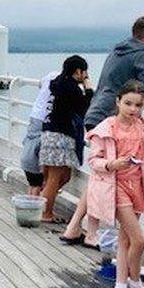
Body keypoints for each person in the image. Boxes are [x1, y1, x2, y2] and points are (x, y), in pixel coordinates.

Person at [61, 16, 144, 246]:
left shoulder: (119, 50)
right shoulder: (142, 53)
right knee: (103, 179)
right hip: (109, 119)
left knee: (101, 178)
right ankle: (84, 231)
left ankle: (81, 229)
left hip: (96, 113)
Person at [86, 80, 144, 288]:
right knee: (139, 240)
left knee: (125, 241)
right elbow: (93, 161)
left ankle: (127, 287)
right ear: (118, 102)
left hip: (138, 186)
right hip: (115, 186)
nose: (132, 109)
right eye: (128, 103)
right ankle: (125, 287)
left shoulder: (143, 129)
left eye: (138, 105)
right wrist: (112, 164)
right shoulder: (106, 128)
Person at [39, 56, 94, 223]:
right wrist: (89, 90)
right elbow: (83, 109)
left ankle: (40, 204)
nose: (85, 75)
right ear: (78, 71)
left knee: (59, 177)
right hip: (61, 136)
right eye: (84, 72)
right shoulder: (72, 88)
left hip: (49, 133)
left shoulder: (57, 84)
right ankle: (45, 213)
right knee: (56, 177)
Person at [20, 71, 58, 195]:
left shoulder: (50, 75)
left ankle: (31, 203)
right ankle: (37, 207)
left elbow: (40, 85)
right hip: (46, 119)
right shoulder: (64, 82)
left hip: (35, 116)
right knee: (38, 178)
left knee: (33, 177)